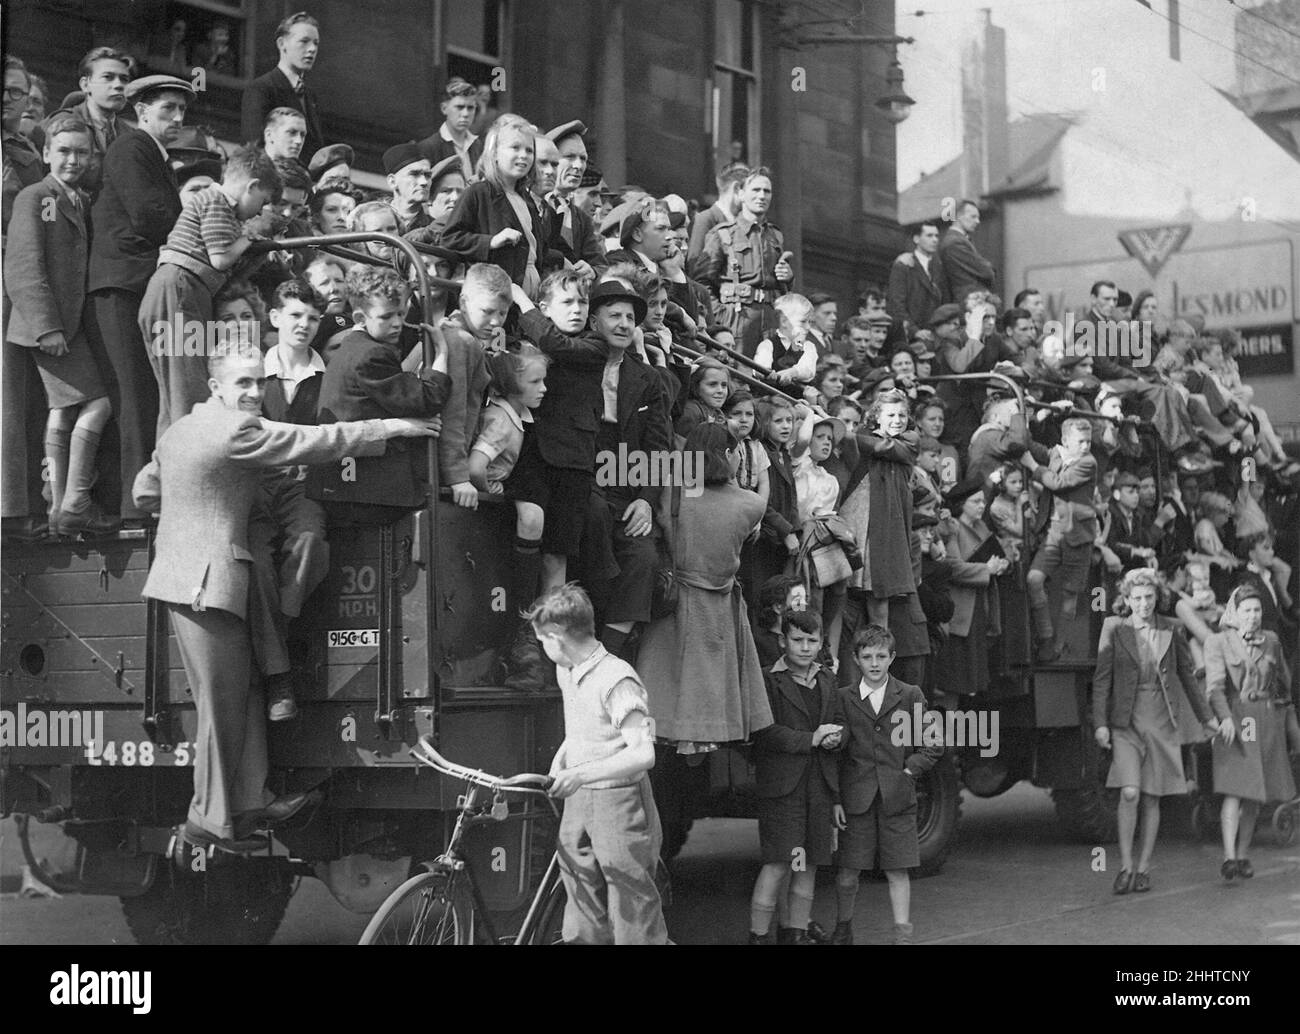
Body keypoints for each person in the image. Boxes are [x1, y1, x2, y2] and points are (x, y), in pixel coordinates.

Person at [132, 342, 440, 852]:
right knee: (222, 705)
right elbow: (312, 441)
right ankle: (207, 819)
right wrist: (391, 428)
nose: (254, 392)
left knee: (246, 690)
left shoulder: (180, 429)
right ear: (216, 388)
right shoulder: (237, 430)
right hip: (207, 584)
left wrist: (196, 506)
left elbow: (147, 492)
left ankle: (251, 802)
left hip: (194, 581)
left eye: (258, 381)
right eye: (243, 384)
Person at [523, 583, 669, 945]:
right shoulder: (567, 670)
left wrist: (580, 773)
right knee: (579, 887)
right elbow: (581, 728)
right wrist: (562, 762)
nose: (543, 649)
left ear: (557, 637)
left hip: (620, 802)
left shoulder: (618, 680)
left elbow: (642, 753)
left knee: (631, 902)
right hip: (580, 799)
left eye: (542, 641)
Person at [85, 73, 193, 525]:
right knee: (132, 397)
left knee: (142, 396)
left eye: (182, 111)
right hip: (120, 288)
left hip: (132, 286)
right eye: (167, 108)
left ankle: (134, 501)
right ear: (142, 110)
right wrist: (194, 220)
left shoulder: (153, 154)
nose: (176, 118)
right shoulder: (134, 147)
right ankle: (132, 508)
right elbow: (151, 215)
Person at [5, 116, 117, 536]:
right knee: (98, 402)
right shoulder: (36, 196)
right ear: (47, 152)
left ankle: (61, 506)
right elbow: (21, 266)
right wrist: (45, 326)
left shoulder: (81, 199)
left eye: (81, 152)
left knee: (67, 406)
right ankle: (72, 501)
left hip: (70, 327)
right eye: (64, 151)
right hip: (47, 328)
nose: (73, 160)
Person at [639, 423, 773, 750]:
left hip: (676, 604)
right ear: (727, 454)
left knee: (666, 705)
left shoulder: (671, 492)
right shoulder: (750, 504)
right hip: (721, 610)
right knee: (712, 706)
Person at [139, 146, 281, 435]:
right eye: (262, 201)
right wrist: (251, 234)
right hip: (178, 289)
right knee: (187, 390)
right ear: (252, 186)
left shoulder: (226, 210)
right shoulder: (216, 200)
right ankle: (189, 464)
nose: (260, 211)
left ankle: (168, 469)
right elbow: (220, 258)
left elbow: (227, 269)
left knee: (176, 394)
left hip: (185, 290)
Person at [1093, 569, 1218, 894]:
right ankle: (1124, 866)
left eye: (1149, 597)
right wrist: (1101, 723)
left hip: (1161, 720)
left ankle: (1144, 867)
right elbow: (1102, 680)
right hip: (1126, 722)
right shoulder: (1113, 627)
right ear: (1127, 599)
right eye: (1137, 598)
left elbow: (1188, 678)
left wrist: (1207, 718)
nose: (1144, 604)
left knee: (1151, 796)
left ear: (1157, 597)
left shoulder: (1171, 630)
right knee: (1129, 791)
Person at [308, 266, 452, 523]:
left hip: (346, 486)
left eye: (401, 313)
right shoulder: (371, 354)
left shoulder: (355, 348)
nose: (397, 323)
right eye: (386, 317)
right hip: (364, 492)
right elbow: (429, 399)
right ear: (361, 318)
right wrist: (441, 352)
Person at [831, 624, 943, 945]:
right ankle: (843, 928)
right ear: (855, 659)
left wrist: (909, 772)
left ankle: (902, 936)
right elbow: (837, 757)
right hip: (856, 799)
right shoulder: (843, 698)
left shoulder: (910, 695)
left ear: (892, 657)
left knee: (897, 870)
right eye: (867, 657)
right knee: (849, 870)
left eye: (881, 656)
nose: (875, 663)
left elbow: (934, 743)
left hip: (897, 798)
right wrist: (837, 799)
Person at [749, 608, 842, 945]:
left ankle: (795, 934)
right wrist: (811, 739)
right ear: (782, 641)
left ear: (821, 643)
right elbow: (762, 731)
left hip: (818, 786)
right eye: (797, 640)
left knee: (807, 864)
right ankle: (758, 936)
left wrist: (836, 737)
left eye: (812, 640)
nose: (805, 647)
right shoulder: (767, 678)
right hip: (783, 789)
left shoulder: (828, 679)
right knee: (779, 863)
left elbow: (839, 723)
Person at [1206, 584, 1299, 882]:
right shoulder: (1218, 642)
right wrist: (1224, 719)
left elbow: (1283, 682)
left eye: (1257, 610)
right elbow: (1214, 689)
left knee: (1254, 796)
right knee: (1236, 788)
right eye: (1247, 610)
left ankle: (1243, 854)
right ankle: (1229, 857)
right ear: (1235, 613)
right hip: (1236, 718)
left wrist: (1286, 719)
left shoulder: (1271, 641)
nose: (1253, 616)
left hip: (1265, 719)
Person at [692, 166, 794, 356]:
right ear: (740, 193)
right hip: (738, 320)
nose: (762, 196)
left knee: (768, 379)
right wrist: (721, 316)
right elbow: (701, 283)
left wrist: (787, 277)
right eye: (755, 190)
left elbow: (779, 287)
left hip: (770, 322)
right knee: (739, 376)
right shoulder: (723, 234)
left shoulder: (775, 236)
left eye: (767, 191)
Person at [1022, 417, 1100, 662]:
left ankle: (1056, 647)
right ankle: (1046, 636)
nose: (1086, 446)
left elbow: (1059, 483)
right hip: (1053, 532)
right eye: (1081, 441)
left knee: (1070, 594)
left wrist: (1033, 467)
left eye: (1088, 441)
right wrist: (1032, 416)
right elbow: (1026, 443)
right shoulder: (1055, 454)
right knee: (1034, 579)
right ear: (1066, 441)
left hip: (1078, 535)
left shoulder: (1088, 462)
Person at [441, 113, 545, 296]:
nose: (523, 155)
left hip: (530, 289)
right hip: (493, 293)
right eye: (515, 147)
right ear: (495, 153)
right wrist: (490, 242)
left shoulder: (528, 201)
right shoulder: (478, 193)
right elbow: (450, 238)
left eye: (529, 150)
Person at [436, 263, 502, 510]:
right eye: (487, 311)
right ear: (463, 303)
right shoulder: (460, 341)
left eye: (503, 314)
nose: (495, 321)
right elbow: (452, 413)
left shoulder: (467, 338)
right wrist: (458, 477)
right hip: (446, 467)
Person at [241, 11, 324, 158]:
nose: (312, 49)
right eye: (304, 41)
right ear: (282, 44)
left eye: (316, 43)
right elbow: (254, 148)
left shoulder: (310, 96)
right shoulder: (261, 88)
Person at [55, 47, 132, 200]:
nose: (119, 85)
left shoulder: (130, 135)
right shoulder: (61, 123)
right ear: (85, 85)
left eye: (124, 79)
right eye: (108, 77)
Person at [887, 220, 948, 337]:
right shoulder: (903, 265)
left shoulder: (939, 268)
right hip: (910, 335)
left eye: (936, 236)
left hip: (935, 335)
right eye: (929, 236)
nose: (935, 240)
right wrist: (914, 331)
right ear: (916, 239)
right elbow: (896, 304)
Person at [417, 77, 483, 181]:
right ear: (444, 109)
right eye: (459, 107)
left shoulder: (478, 146)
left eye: (470, 108)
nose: (465, 114)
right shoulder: (428, 148)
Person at [687, 160, 747, 267]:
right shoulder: (705, 219)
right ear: (737, 188)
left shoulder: (742, 222)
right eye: (750, 190)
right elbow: (694, 265)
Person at [937, 200, 995, 303]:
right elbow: (987, 271)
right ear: (959, 216)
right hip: (967, 301)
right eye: (973, 217)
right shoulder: (955, 242)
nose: (978, 221)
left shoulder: (959, 240)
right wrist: (987, 267)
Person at [675, 357, 730, 439]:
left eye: (724, 385)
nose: (720, 390)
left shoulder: (719, 415)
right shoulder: (690, 413)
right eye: (712, 384)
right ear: (695, 386)